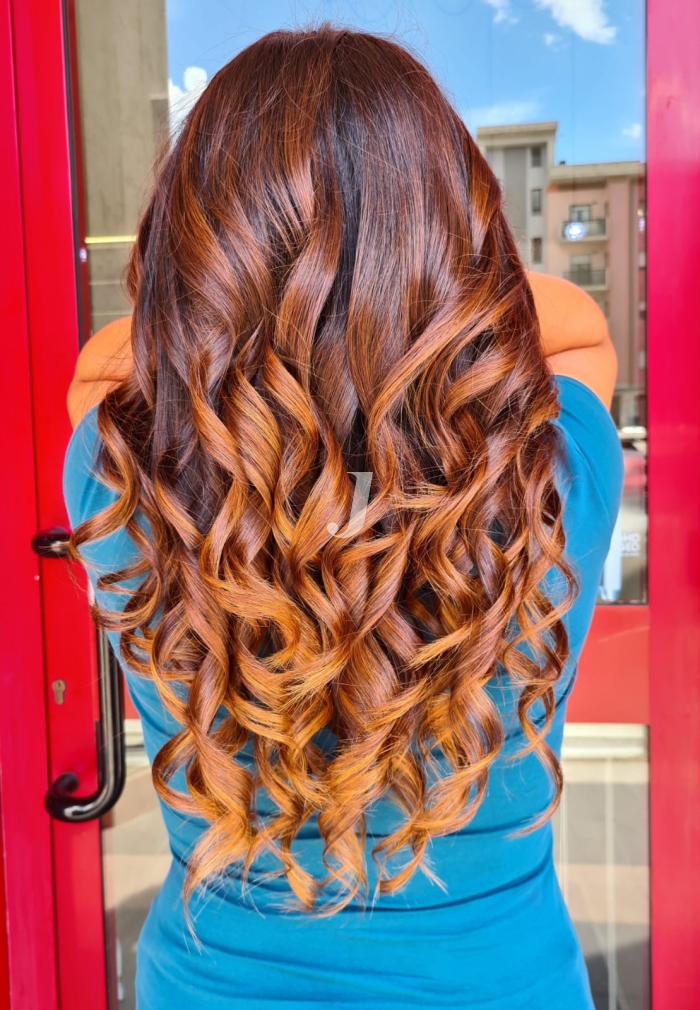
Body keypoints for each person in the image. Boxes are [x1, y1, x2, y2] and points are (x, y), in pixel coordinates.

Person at [63, 25, 623, 1010]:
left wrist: (265, 297)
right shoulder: (555, 464)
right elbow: (573, 319)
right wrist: (400, 278)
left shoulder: (114, 473)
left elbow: (123, 348)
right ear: (461, 241)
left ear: (199, 256)